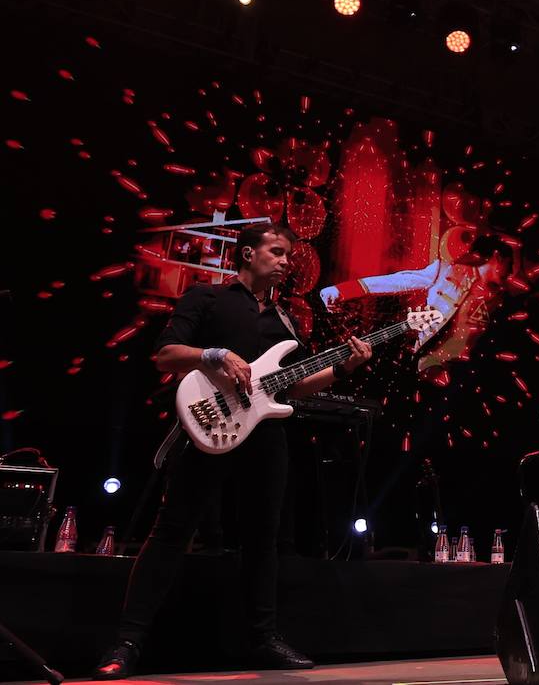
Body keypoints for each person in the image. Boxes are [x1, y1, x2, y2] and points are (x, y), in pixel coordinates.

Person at [95, 222, 373, 679]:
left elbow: (293, 386)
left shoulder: (285, 320)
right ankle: (127, 640)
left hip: (263, 439)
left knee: (263, 539)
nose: (287, 263)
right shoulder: (206, 298)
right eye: (278, 252)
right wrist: (214, 354)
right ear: (247, 254)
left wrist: (343, 369)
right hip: (206, 427)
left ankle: (263, 638)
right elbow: (166, 354)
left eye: (289, 256)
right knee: (172, 531)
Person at [319, 234, 513, 378]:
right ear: (497, 257)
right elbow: (398, 281)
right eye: (509, 265)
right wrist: (342, 290)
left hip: (466, 377)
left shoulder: (499, 301)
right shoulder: (446, 272)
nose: (511, 273)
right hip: (427, 368)